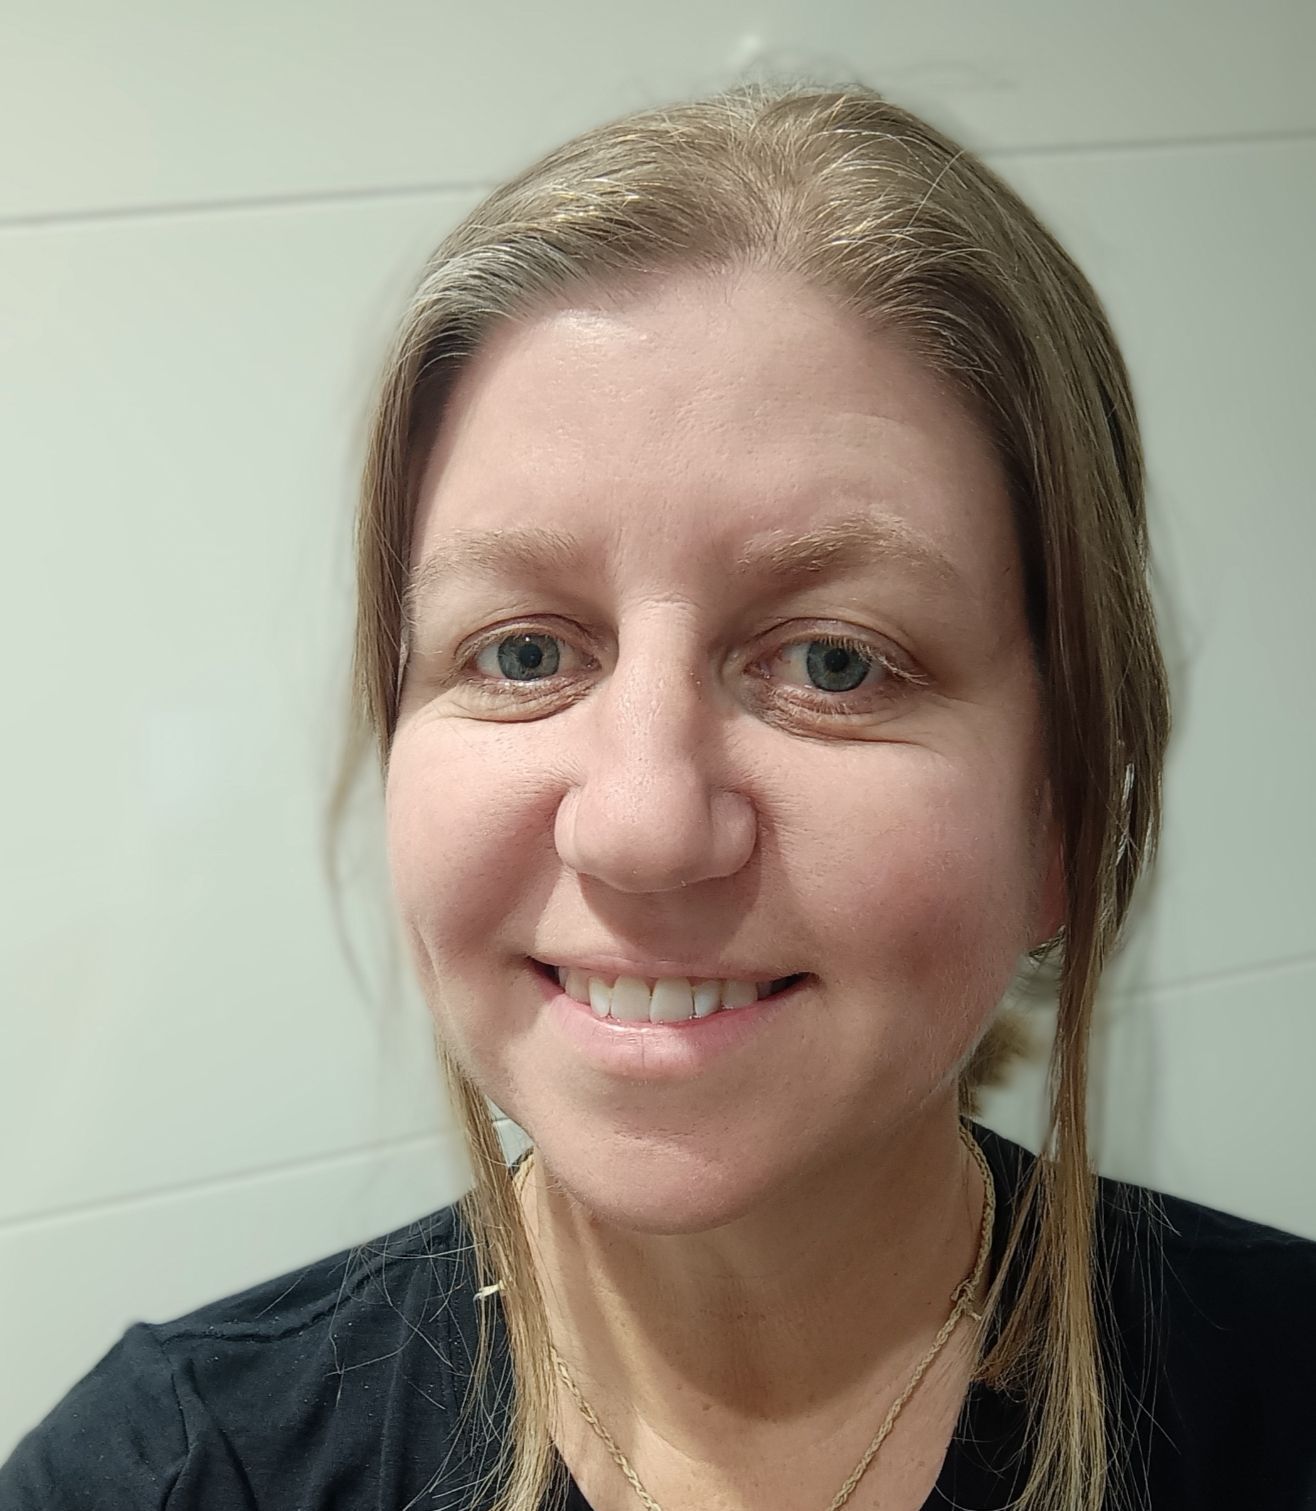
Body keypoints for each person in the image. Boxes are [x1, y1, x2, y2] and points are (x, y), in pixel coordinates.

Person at [3, 81, 1314, 1511]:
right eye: (521, 653)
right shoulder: (169, 1478)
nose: (639, 825)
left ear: (1061, 811)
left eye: (836, 661)